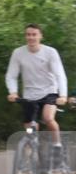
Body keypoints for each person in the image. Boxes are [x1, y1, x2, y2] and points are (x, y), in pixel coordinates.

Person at [6, 23, 69, 161]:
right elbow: (11, 75)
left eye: (34, 34)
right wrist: (13, 92)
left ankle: (57, 145)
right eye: (28, 35)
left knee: (48, 118)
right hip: (30, 95)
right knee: (30, 126)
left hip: (49, 92)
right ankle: (32, 152)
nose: (31, 37)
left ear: (40, 36)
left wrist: (63, 95)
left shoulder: (50, 52)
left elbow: (60, 75)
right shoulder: (18, 53)